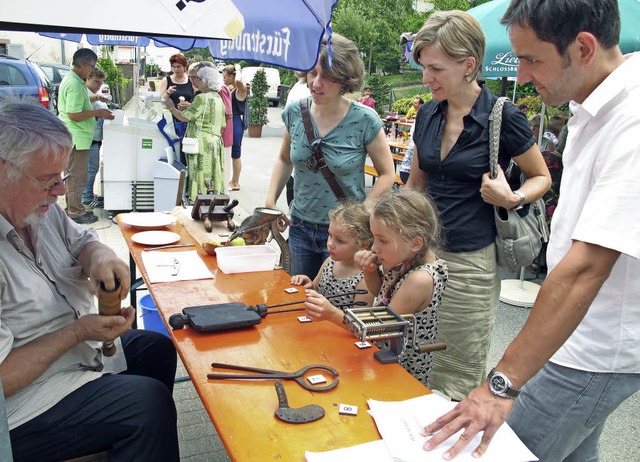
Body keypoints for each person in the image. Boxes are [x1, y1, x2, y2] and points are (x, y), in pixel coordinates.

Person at [421, 1, 640, 460]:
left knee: (503, 448)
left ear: (582, 47)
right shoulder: (592, 102)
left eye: (531, 59)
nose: (521, 75)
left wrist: (501, 382)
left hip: (593, 347)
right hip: (568, 334)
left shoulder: (631, 119)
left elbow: (585, 269)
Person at [0, 94, 179, 461]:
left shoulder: (39, 209)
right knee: (146, 405)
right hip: (23, 405)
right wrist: (79, 332)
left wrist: (99, 256)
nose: (62, 190)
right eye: (49, 181)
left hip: (79, 355)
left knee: (155, 349)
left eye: (61, 177)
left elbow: (81, 239)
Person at [406, 10, 550, 401]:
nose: (425, 78)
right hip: (423, 256)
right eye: (423, 66)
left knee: (455, 367)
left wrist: (512, 197)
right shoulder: (427, 113)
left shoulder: (502, 116)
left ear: (468, 65)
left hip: (471, 262)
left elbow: (542, 177)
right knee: (412, 354)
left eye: (435, 68)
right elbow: (416, 184)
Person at [265, 33, 396, 280]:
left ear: (345, 80)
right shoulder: (294, 112)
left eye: (327, 77)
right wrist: (270, 202)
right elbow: (284, 160)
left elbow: (388, 174)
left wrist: (363, 212)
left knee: (337, 307)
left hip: (346, 235)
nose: (316, 83)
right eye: (313, 73)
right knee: (298, 300)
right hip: (300, 227)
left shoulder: (365, 119)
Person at [354, 188, 447, 387]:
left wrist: (334, 315)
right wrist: (369, 271)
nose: (373, 248)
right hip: (386, 357)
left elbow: (383, 325)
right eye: (374, 238)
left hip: (402, 372)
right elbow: (381, 292)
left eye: (382, 240)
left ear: (415, 243)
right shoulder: (404, 257)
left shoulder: (420, 279)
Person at [291, 202, 374, 324]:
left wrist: (331, 314)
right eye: (330, 235)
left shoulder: (366, 280)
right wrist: (309, 284)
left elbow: (360, 325)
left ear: (363, 245)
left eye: (339, 241)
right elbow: (316, 289)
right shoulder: (329, 262)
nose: (330, 243)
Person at [57, 48, 114, 225]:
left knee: (75, 175)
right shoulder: (74, 83)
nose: (92, 70)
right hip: (77, 136)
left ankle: (74, 208)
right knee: (76, 176)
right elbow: (73, 113)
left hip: (77, 136)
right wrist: (98, 112)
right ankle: (75, 212)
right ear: (83, 65)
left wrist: (95, 100)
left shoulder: (75, 80)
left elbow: (79, 103)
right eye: (92, 67)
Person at [164, 65, 226, 197]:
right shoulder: (218, 99)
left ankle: (197, 200)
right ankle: (213, 200)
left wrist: (171, 108)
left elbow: (184, 117)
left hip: (201, 144)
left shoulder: (202, 98)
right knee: (213, 174)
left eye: (198, 79)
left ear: (206, 81)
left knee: (199, 173)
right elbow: (223, 125)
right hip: (215, 143)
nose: (196, 81)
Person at [187, 62, 234, 193]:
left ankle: (214, 200)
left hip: (218, 136)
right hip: (215, 137)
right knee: (211, 173)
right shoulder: (204, 93)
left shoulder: (219, 90)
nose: (193, 80)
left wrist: (215, 131)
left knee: (212, 173)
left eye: (195, 77)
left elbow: (228, 114)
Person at [82, 66, 110, 209]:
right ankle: (86, 198)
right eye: (96, 81)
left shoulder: (93, 92)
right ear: (87, 78)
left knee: (92, 168)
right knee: (91, 168)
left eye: (100, 82)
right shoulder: (85, 93)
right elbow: (83, 102)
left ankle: (88, 194)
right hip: (89, 138)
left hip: (95, 138)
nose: (98, 85)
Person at [222, 64, 248, 191]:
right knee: (230, 153)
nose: (223, 78)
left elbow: (238, 81)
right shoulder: (230, 89)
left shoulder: (240, 90)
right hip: (231, 121)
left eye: (225, 76)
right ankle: (232, 180)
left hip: (235, 121)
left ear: (232, 76)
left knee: (235, 154)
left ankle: (236, 182)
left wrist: (238, 68)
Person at [159, 53, 193, 146]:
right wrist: (168, 92)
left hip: (186, 119)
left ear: (185, 66)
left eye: (179, 66)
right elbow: (161, 100)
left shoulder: (191, 80)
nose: (176, 69)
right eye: (173, 67)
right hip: (170, 118)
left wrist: (188, 105)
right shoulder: (166, 80)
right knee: (171, 145)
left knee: (185, 146)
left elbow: (195, 98)